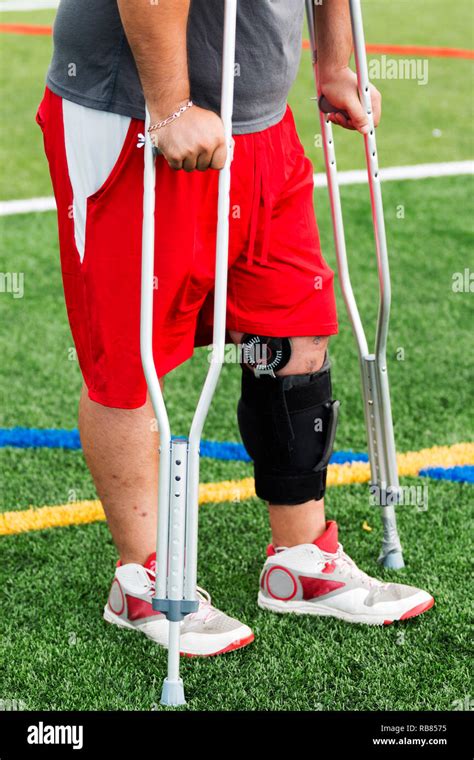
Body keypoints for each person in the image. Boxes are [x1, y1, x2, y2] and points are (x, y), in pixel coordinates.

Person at [37, 0, 433, 657]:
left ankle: (299, 559)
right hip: (132, 107)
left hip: (258, 119)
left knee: (294, 326)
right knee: (131, 353)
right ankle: (144, 579)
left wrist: (333, 64)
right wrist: (168, 105)